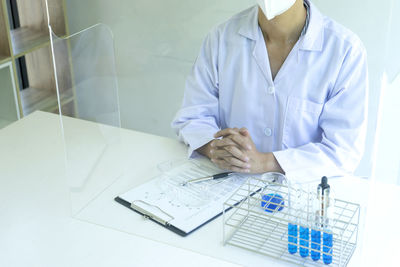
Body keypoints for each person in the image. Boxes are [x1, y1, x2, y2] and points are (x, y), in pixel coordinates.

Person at [171, 0, 368, 181]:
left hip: (302, 198)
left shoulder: (345, 51)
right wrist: (215, 148)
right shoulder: (221, 38)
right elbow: (193, 117)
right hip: (227, 187)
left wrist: (265, 162)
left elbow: (343, 151)